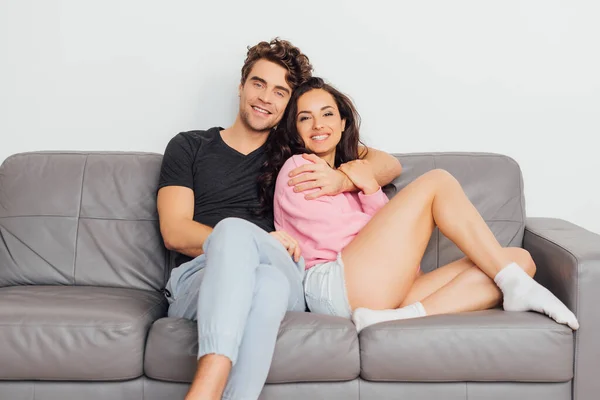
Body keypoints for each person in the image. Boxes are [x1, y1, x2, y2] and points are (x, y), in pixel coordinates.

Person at [157, 40, 402, 400]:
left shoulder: (293, 151)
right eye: (258, 84)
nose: (265, 98)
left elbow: (389, 164)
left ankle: (205, 390)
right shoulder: (189, 146)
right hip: (202, 274)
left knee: (269, 274)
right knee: (249, 256)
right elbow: (175, 232)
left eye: (280, 91)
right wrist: (252, 240)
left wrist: (342, 179)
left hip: (280, 263)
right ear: (241, 87)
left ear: (288, 104)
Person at [264, 77, 579, 334]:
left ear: (344, 122)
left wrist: (366, 185)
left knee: (519, 261)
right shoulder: (299, 167)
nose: (318, 124)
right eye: (306, 118)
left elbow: (381, 228)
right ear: (296, 130)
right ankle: (514, 284)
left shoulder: (353, 172)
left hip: (383, 289)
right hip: (335, 285)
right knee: (437, 182)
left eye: (327, 113)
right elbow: (341, 238)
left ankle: (394, 320)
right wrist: (362, 189)